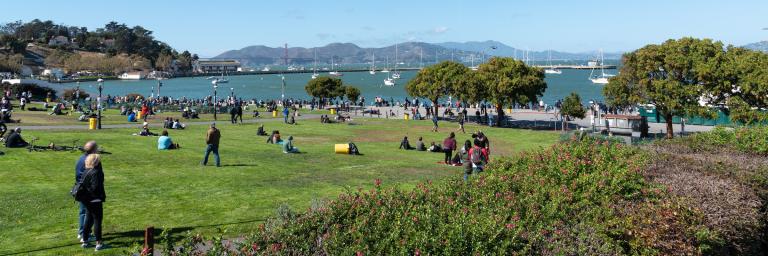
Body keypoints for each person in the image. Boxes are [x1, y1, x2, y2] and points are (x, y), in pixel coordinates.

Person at [79, 154, 106, 251]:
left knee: (88, 219)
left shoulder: (86, 171)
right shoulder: (96, 172)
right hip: (95, 199)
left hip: (86, 200)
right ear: (96, 162)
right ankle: (99, 243)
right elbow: (95, 187)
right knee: (97, 220)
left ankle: (85, 241)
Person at [75, 141, 99, 242]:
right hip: (87, 190)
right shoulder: (91, 160)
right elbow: (93, 176)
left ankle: (81, 232)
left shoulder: (81, 158)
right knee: (89, 214)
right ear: (93, 149)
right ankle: (85, 235)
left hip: (80, 188)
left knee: (83, 212)